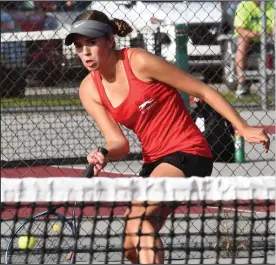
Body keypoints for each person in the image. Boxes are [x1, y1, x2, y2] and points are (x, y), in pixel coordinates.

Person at [64, 10, 270, 264]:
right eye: (79, 46)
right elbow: (119, 143)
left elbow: (203, 91)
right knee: (130, 248)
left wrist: (243, 127)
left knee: (141, 222)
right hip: (154, 162)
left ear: (110, 41)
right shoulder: (89, 89)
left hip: (188, 152)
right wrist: (104, 153)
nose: (85, 52)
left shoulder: (138, 61)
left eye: (92, 43)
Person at [233, 0, 275, 97]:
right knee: (243, 40)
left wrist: (270, 35)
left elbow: (273, 29)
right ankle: (241, 82)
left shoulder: (270, 5)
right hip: (249, 40)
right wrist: (257, 34)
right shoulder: (244, 5)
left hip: (267, 40)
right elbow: (240, 30)